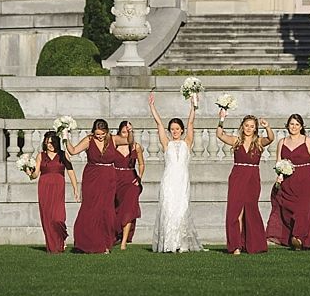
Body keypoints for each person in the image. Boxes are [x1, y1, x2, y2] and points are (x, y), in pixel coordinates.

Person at [65, 119, 131, 253]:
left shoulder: (113, 139)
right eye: (97, 134)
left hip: (109, 178)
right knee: (90, 209)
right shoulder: (89, 140)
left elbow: (129, 141)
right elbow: (73, 151)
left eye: (102, 134)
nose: (100, 137)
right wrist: (65, 137)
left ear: (107, 131)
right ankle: (87, 243)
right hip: (92, 177)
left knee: (106, 210)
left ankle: (106, 244)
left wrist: (130, 131)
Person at [149, 92, 203, 252]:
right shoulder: (166, 143)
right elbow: (159, 125)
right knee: (168, 208)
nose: (174, 131)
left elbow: (191, 122)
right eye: (172, 129)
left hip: (182, 180)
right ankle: (168, 244)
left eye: (177, 129)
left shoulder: (187, 142)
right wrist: (152, 107)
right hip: (169, 180)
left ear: (181, 130)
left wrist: (193, 105)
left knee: (181, 209)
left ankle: (182, 244)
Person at [215, 112, 273, 254]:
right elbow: (220, 135)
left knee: (251, 209)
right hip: (237, 177)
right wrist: (222, 119)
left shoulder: (258, 142)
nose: (248, 128)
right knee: (236, 210)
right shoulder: (236, 141)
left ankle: (253, 244)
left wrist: (268, 127)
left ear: (255, 128)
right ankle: (236, 245)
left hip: (253, 178)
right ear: (242, 126)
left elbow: (270, 139)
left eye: (251, 126)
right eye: (246, 125)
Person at [266, 113, 310, 250]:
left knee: (304, 209)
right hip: (288, 180)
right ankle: (293, 236)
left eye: (297, 124)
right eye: (292, 124)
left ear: (301, 126)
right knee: (288, 209)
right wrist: (279, 176)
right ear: (288, 125)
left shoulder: (307, 141)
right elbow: (278, 162)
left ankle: (298, 237)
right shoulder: (282, 142)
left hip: (306, 179)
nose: (294, 127)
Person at [29, 131, 79, 253]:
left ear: (57, 142)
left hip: (58, 188)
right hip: (44, 187)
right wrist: (28, 172)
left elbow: (70, 171)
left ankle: (62, 237)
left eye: (52, 142)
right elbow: (35, 174)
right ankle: (53, 246)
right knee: (47, 218)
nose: (50, 145)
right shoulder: (41, 155)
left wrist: (75, 188)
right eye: (47, 142)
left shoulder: (63, 154)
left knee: (58, 218)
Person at [114, 120, 145, 250]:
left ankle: (124, 242)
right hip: (116, 179)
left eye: (128, 132)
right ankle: (116, 235)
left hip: (131, 180)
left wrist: (139, 178)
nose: (125, 135)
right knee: (116, 210)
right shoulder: (114, 145)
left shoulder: (135, 147)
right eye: (123, 132)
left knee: (128, 210)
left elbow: (142, 164)